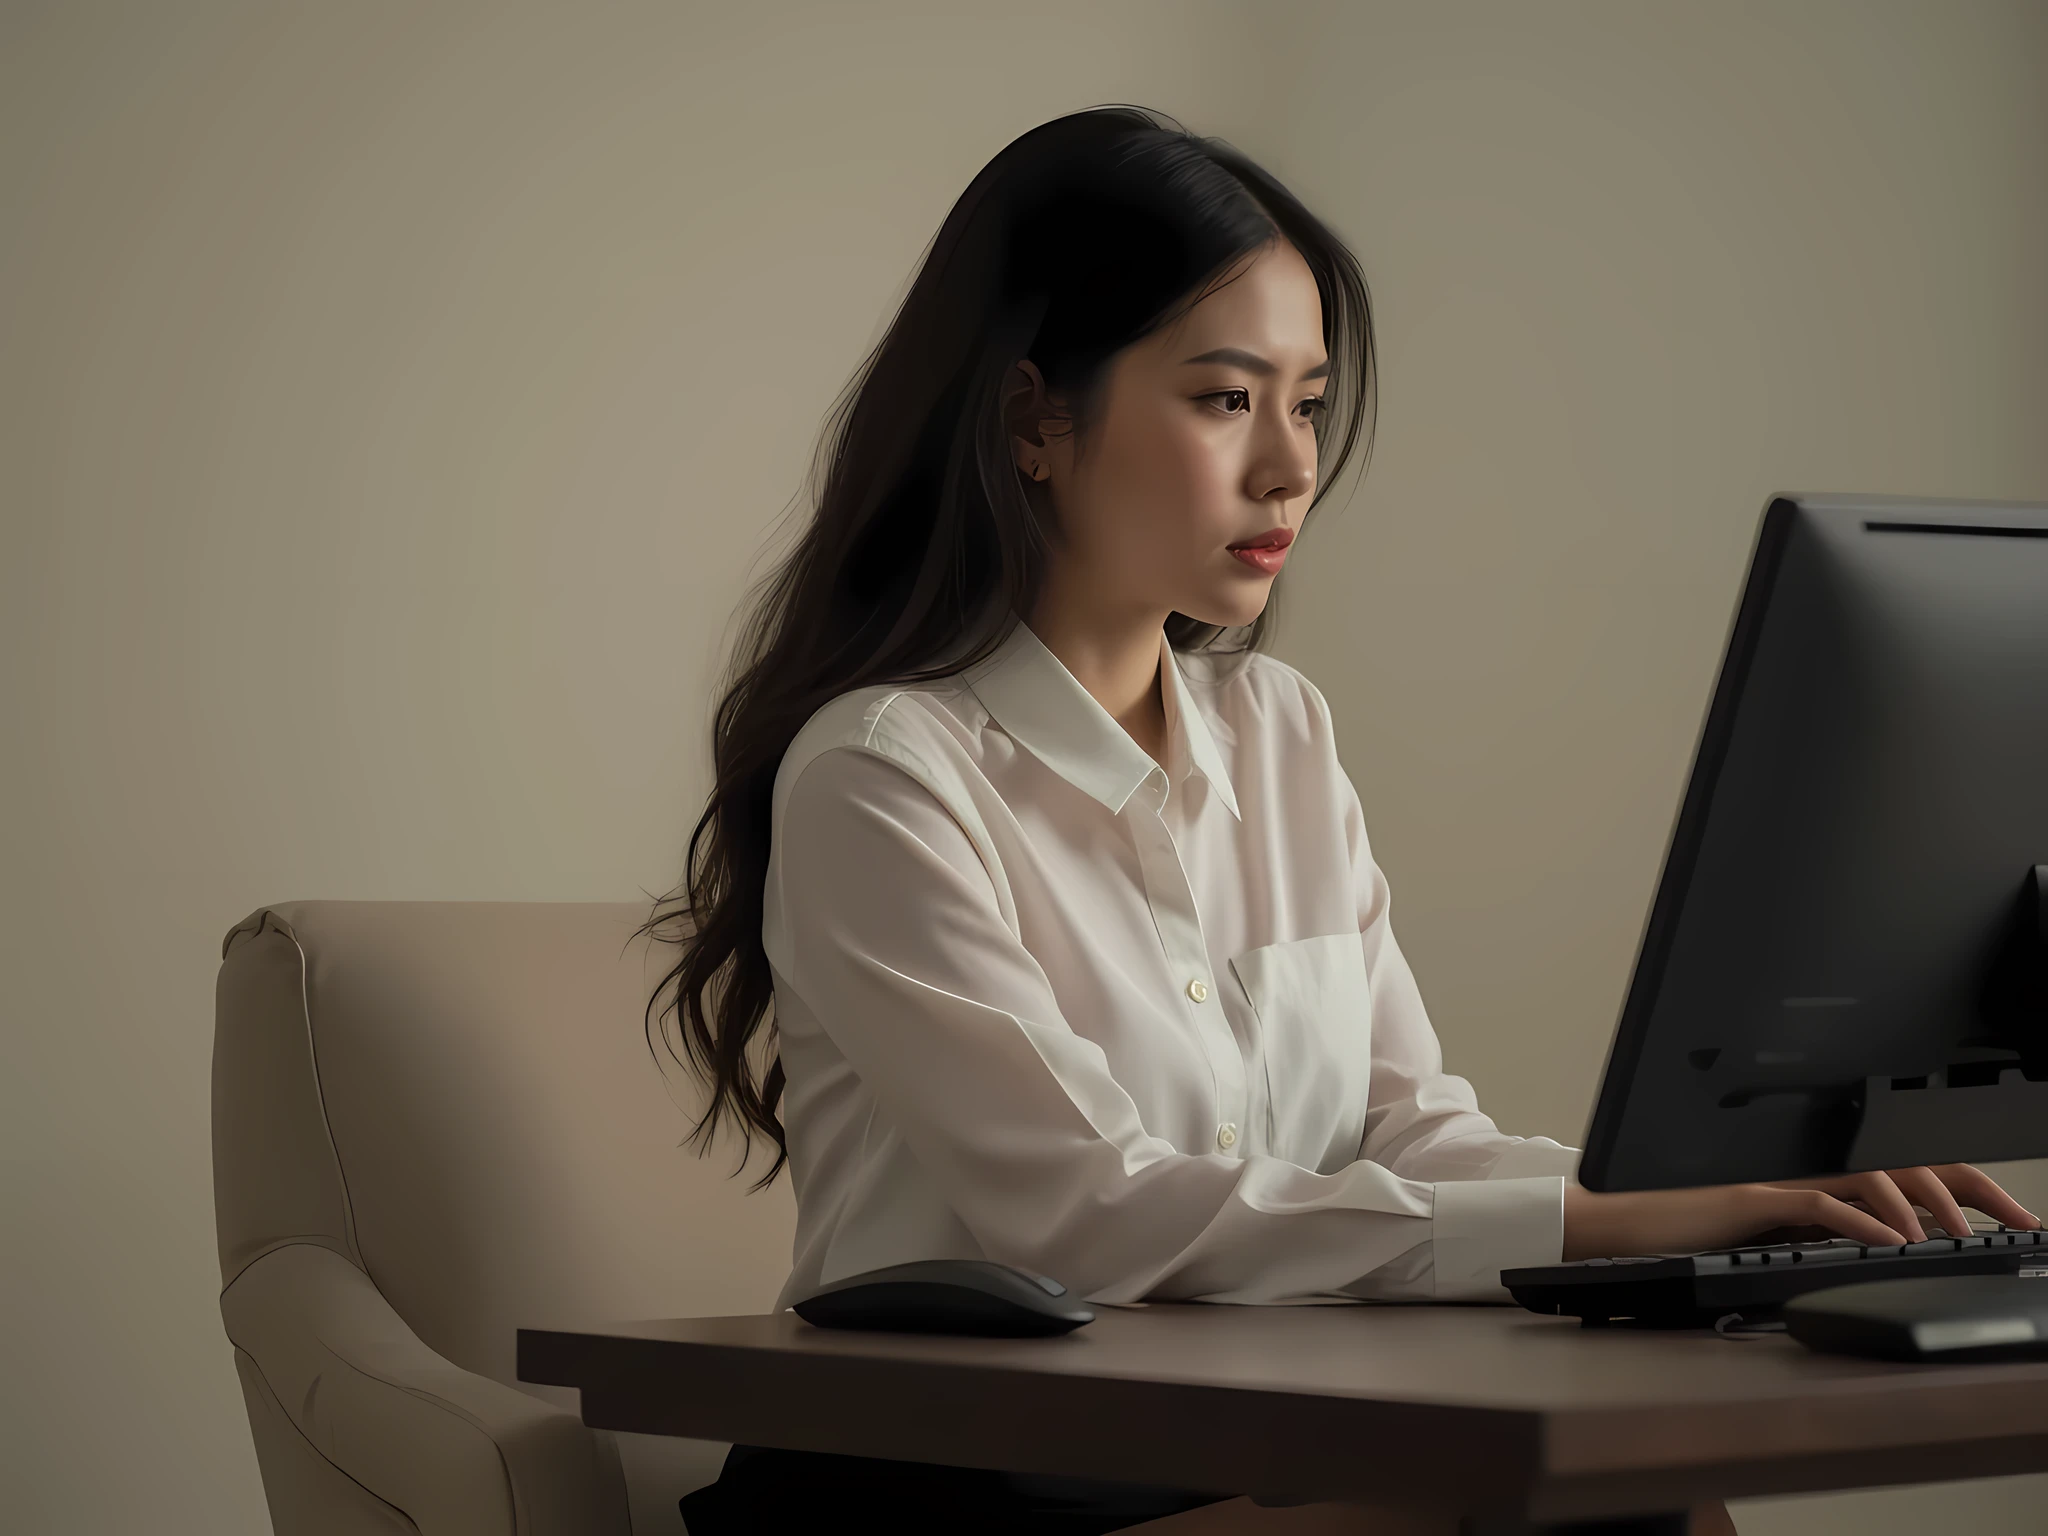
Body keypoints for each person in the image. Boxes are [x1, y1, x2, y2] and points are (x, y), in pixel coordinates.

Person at [648, 106, 2038, 1535]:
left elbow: (1405, 1127)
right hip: (948, 1487)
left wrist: (1716, 1192)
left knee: (1634, 1502)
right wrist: (1608, 1225)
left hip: (1233, 1436)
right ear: (1031, 421)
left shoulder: (1281, 731)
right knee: (1585, 1515)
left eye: (1307, 403)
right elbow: (1087, 1211)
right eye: (1223, 398)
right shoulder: (885, 771)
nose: (1292, 466)